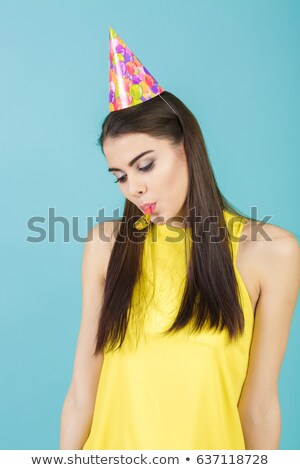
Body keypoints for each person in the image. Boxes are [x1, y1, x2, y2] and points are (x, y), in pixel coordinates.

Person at [59, 28, 300, 451]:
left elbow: (259, 405)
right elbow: (82, 393)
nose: (133, 188)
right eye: (120, 176)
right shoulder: (105, 246)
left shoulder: (271, 253)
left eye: (145, 165)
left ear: (187, 149)